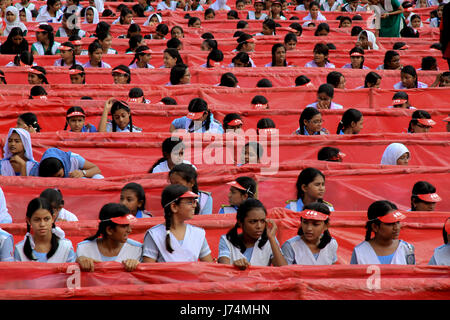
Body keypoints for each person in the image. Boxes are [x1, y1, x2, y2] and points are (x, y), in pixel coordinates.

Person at [142, 184, 214, 262]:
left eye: (194, 202)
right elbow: (148, 270)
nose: (194, 205)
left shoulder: (198, 233)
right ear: (174, 207)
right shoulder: (154, 234)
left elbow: (209, 266)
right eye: (190, 202)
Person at [218, 198, 286, 269]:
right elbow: (224, 269)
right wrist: (234, 267)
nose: (259, 226)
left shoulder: (269, 241)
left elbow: (283, 270)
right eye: (253, 222)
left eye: (262, 221)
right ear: (240, 222)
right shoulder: (227, 241)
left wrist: (272, 239)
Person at [76, 203, 142, 272]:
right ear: (109, 230)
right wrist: (79, 261)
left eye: (128, 225)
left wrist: (138, 265)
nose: (129, 230)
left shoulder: (137, 250)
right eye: (124, 226)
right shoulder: (83, 248)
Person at [350, 200, 415, 265]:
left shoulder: (407, 249)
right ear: (375, 227)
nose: (396, 228)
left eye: (398, 222)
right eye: (390, 224)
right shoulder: (359, 252)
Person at [14, 197, 76, 263]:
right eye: (37, 220)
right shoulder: (20, 249)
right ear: (29, 221)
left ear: (53, 218)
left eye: (46, 219)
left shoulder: (66, 247)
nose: (42, 224)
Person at [34, 147, 103, 178]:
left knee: (98, 177)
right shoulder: (37, 170)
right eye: (53, 178)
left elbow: (97, 169)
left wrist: (82, 173)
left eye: (59, 175)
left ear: (63, 166)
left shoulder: (74, 159)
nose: (58, 180)